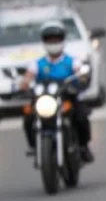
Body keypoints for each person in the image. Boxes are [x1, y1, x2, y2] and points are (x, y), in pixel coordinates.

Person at [19, 21, 94, 163]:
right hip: (45, 100)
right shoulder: (38, 63)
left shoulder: (71, 61)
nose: (53, 42)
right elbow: (28, 77)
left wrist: (82, 78)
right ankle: (34, 146)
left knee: (81, 117)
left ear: (62, 40)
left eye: (56, 39)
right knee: (28, 117)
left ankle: (84, 147)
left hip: (67, 98)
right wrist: (24, 85)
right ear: (44, 42)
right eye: (49, 39)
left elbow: (81, 73)